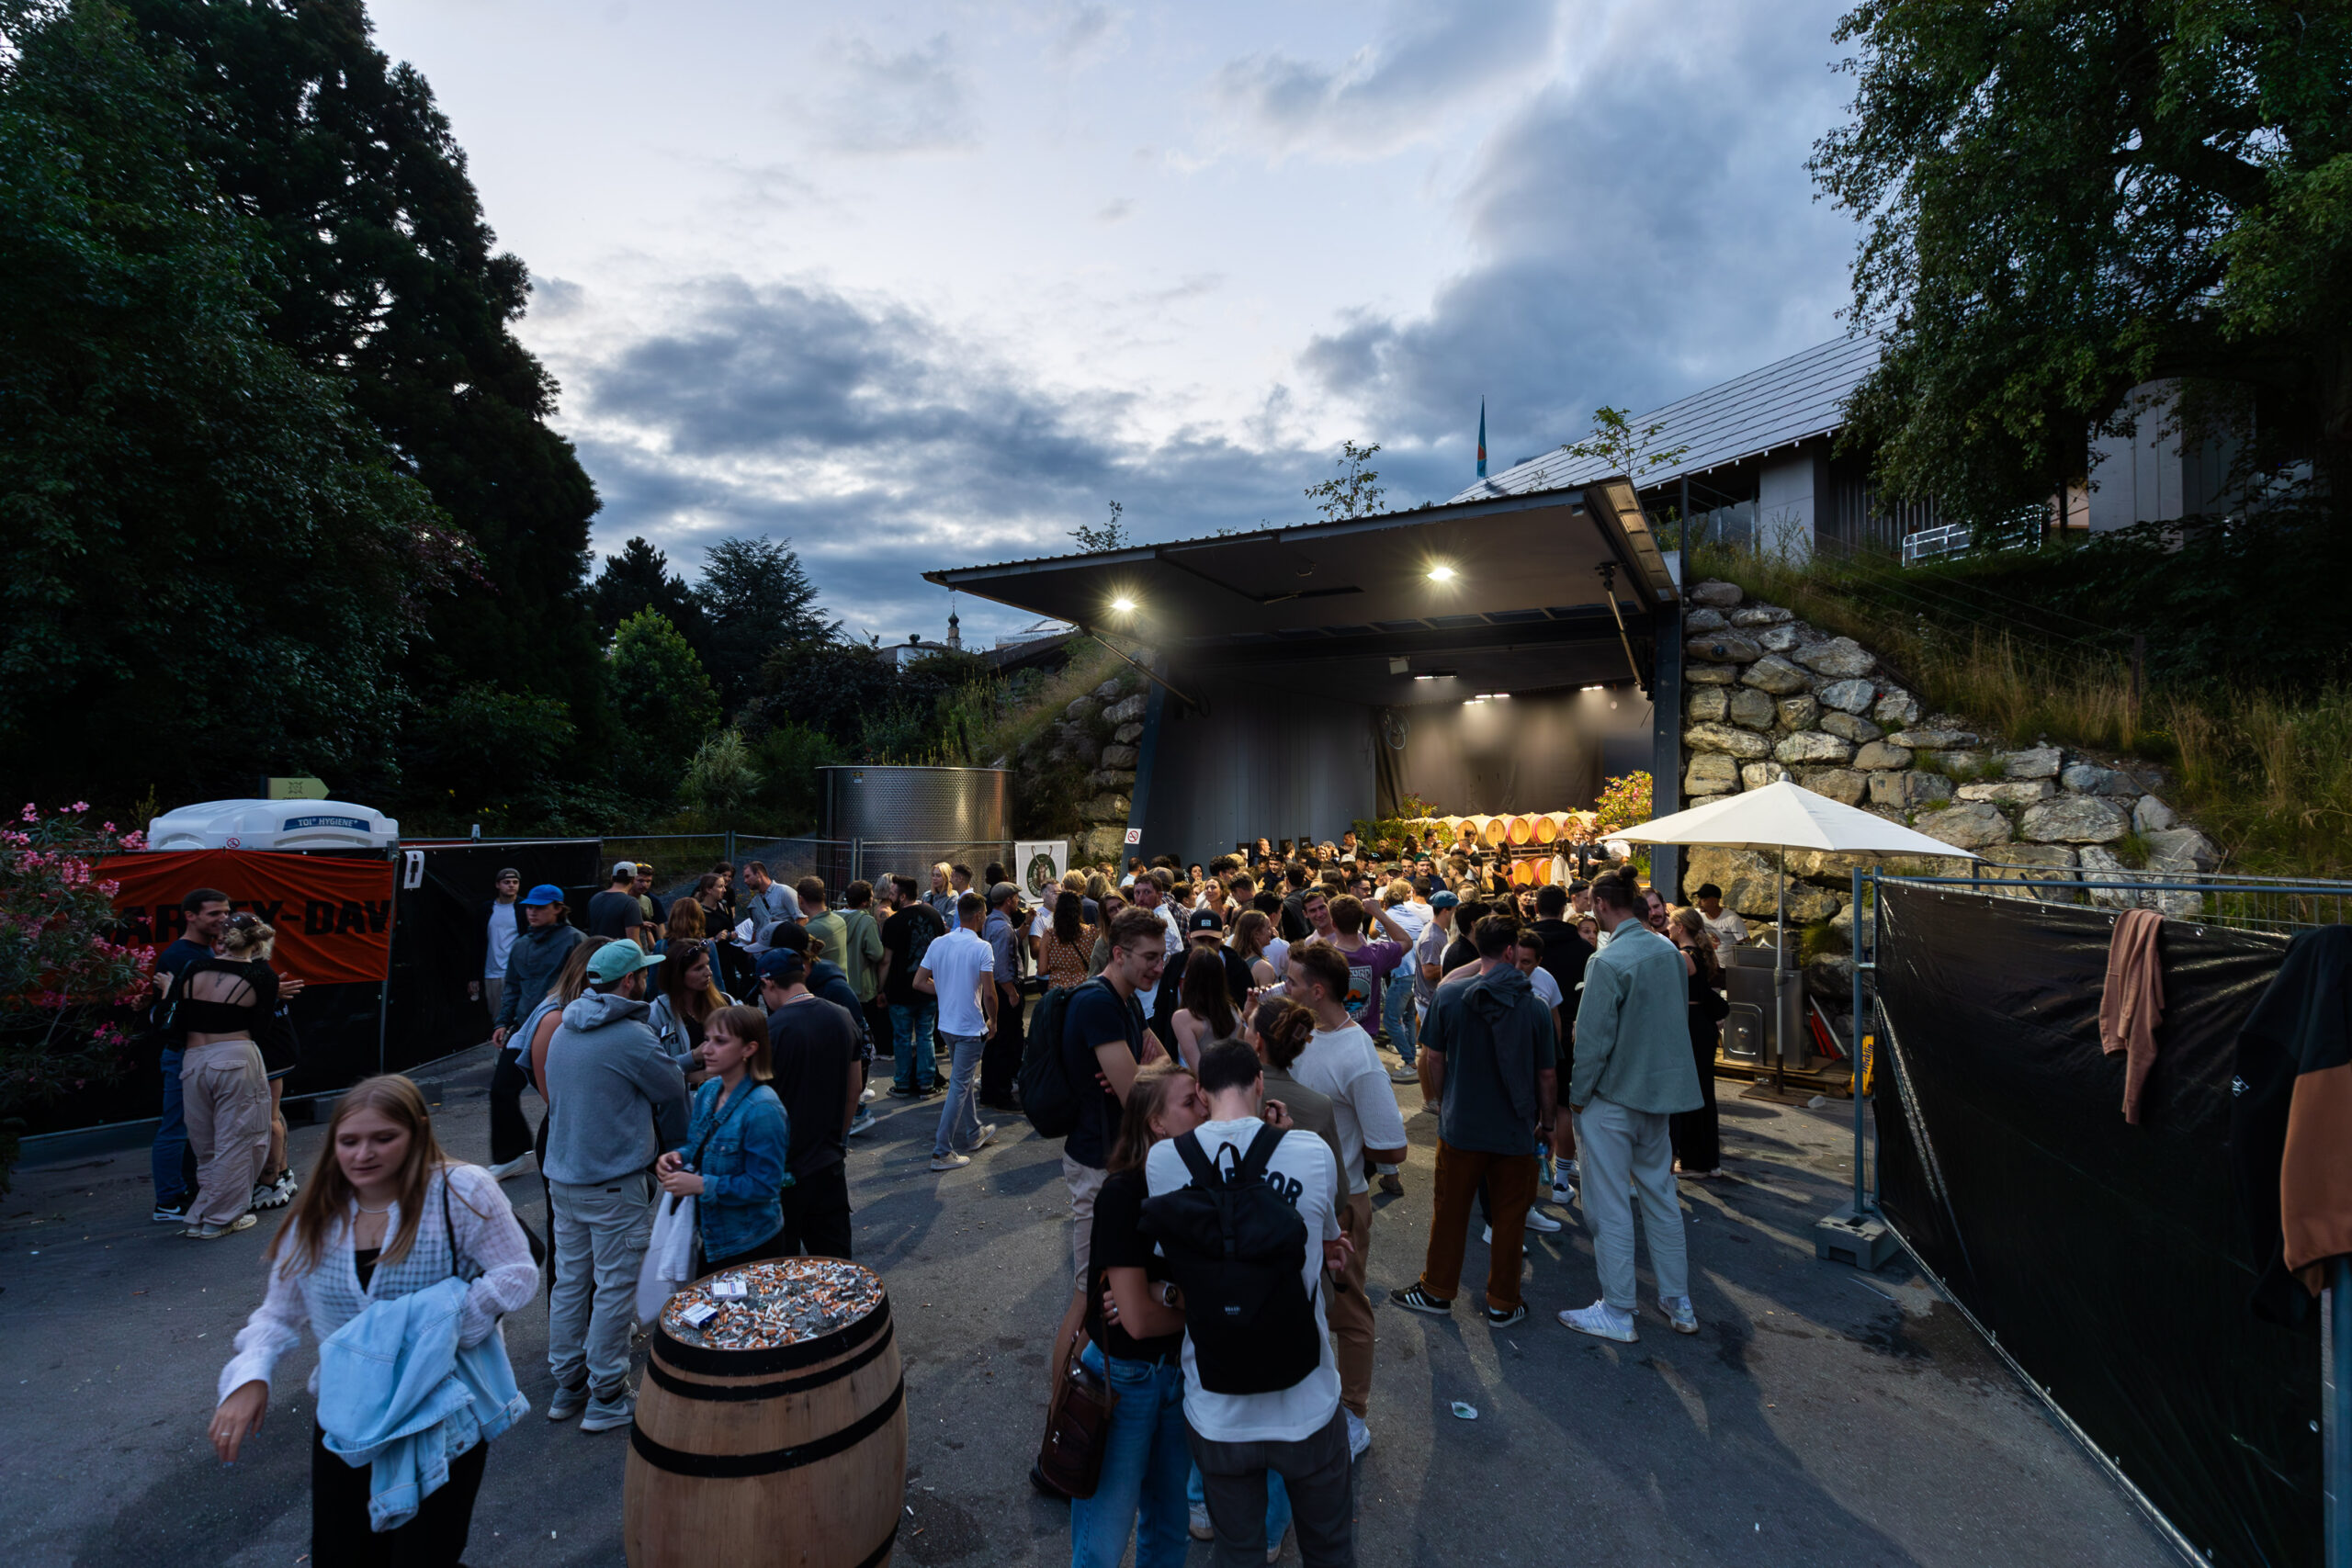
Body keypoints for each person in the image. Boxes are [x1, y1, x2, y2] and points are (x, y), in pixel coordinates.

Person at [209, 1076, 537, 1564]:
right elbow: (277, 1314)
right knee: (341, 1555)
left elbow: (516, 1272)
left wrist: (445, 1327)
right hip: (349, 1412)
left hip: (442, 1410)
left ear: (418, 1131)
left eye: (384, 1138)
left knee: (425, 1556)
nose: (364, 1154)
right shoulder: (316, 1215)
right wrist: (250, 1377)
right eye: (349, 1141)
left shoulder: (460, 1190)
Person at [1148, 1039, 1352, 1568]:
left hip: (1217, 1409)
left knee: (1237, 1553)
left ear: (1201, 1092)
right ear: (1260, 1084)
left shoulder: (1163, 1161)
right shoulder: (1311, 1151)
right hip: (1307, 1402)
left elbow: (1178, 1259)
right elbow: (1327, 1239)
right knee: (1330, 1550)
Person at [542, 940, 687, 1430]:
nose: (646, 979)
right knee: (613, 1289)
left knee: (570, 1285)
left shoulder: (564, 1028)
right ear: (629, 981)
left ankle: (568, 1385)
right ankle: (606, 1394)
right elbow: (668, 1088)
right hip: (612, 1185)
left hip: (565, 1180)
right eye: (642, 973)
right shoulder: (631, 1035)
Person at [1069, 1065, 1206, 1568]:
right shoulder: (1125, 1193)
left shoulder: (1203, 1183)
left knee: (1169, 1529)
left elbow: (1160, 1307)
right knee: (1101, 1543)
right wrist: (1200, 1308)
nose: (1205, 1108)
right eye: (1190, 1102)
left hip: (1178, 1375)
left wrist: (1164, 1293)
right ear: (1156, 1123)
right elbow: (1138, 1321)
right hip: (1123, 1380)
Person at [1393, 915, 1558, 1326]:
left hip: (1461, 1125)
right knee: (1509, 1218)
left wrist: (1445, 1100)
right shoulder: (1534, 1006)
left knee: (1450, 1211)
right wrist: (1548, 1124)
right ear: (1511, 951)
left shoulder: (1450, 996)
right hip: (1515, 1128)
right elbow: (1547, 1075)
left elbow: (1433, 1057)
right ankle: (1503, 1301)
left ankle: (1436, 1291)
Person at [1560, 874, 1703, 1343]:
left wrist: (1578, 1096)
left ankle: (1619, 1309)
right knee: (1661, 1198)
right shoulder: (1668, 952)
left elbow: (1592, 1041)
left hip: (1613, 1097)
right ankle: (1678, 1301)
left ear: (1601, 904)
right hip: (1657, 1095)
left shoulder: (1607, 960)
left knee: (1609, 1206)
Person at [1280, 941, 1406, 1460]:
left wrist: (1343, 1156)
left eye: (1290, 982)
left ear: (1316, 991)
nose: (1281, 987)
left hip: (1341, 1201)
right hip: (1289, 1196)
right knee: (1297, 1306)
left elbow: (1391, 1145)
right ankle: (1311, 1401)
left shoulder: (1358, 1055)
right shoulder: (1296, 1032)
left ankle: (1354, 1416)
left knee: (1347, 1311)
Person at [164, 912, 281, 1238]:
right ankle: (220, 1219)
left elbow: (174, 1016)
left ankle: (201, 1216)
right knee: (240, 1141)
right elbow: (261, 1027)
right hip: (235, 1056)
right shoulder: (262, 975)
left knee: (206, 1144)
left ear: (223, 939)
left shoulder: (193, 967)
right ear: (257, 941)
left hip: (193, 1060)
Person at [656, 1005, 792, 1272]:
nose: (706, 1050)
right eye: (707, 1039)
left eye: (720, 1041)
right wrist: (679, 1156)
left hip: (749, 1245)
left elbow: (764, 1186)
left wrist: (701, 1185)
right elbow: (700, 1147)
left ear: (749, 1049)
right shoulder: (709, 1091)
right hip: (711, 1238)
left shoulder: (763, 1108)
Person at [758, 949, 861, 1256]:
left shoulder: (770, 1030)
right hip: (828, 1162)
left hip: (783, 1168)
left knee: (782, 1265)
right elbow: (854, 1089)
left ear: (769, 983)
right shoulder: (842, 1016)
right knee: (835, 1264)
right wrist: (838, 1137)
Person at [489, 885, 583, 1178]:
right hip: (523, 1028)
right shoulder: (521, 944)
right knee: (501, 1088)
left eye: (540, 907)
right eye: (529, 906)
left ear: (558, 908)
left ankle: (574, 1152)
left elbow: (585, 985)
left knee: (558, 1097)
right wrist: (502, 1022)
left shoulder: (575, 940)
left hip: (561, 1029)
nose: (532, 912)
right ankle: (511, 1155)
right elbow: (512, 987)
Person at [151, 887, 231, 1224]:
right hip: (183, 1054)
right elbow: (185, 1011)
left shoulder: (204, 951)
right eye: (214, 913)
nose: (223, 919)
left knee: (194, 1128)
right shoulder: (181, 956)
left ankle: (185, 1191)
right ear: (190, 916)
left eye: (226, 912)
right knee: (175, 1128)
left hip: (199, 1053)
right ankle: (168, 1202)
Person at [916, 892, 998, 1173]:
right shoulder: (982, 947)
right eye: (984, 915)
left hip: (947, 1026)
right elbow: (990, 994)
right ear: (978, 916)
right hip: (969, 1027)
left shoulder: (939, 943)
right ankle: (942, 1151)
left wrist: (945, 990)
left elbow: (919, 981)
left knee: (961, 1081)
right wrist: (994, 1020)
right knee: (959, 1086)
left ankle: (974, 1132)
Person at [1668, 908, 1731, 1180]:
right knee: (1703, 1092)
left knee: (1691, 1093)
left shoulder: (1684, 957)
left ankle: (1696, 1161)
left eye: (1672, 923)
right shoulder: (1699, 954)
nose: (1668, 927)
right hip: (1701, 1025)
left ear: (1681, 927)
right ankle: (1708, 1160)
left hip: (1692, 1025)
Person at [881, 873, 948, 1097]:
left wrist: (881, 988)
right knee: (925, 1035)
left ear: (902, 896)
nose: (890, 897)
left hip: (900, 990)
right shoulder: (933, 915)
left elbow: (886, 960)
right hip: (928, 988)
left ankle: (902, 1084)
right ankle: (926, 1083)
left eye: (892, 893)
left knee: (901, 1038)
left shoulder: (893, 922)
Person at [979, 883, 1027, 1111]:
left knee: (994, 1040)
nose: (1018, 901)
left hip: (997, 989)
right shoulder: (1003, 929)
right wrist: (1012, 993)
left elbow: (1012, 939)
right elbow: (1000, 968)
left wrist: (1026, 926)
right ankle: (1002, 1094)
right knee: (1008, 1043)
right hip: (1005, 990)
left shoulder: (991, 921)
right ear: (1008, 900)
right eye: (1016, 897)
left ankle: (989, 1091)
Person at [648, 940, 731, 1070]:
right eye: (699, 968)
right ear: (678, 975)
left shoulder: (725, 1002)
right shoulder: (657, 1013)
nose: (709, 972)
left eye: (708, 964)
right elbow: (655, 1067)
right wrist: (693, 1057)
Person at [1169, 943, 1239, 1072]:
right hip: (1236, 1079)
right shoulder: (1233, 1010)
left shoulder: (1182, 1018)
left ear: (1189, 977)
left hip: (1209, 1083)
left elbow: (1199, 1072)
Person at [838, 879, 889, 1051]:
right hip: (863, 987)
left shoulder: (835, 917)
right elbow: (877, 953)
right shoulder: (867, 921)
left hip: (841, 983)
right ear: (865, 902)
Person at [471, 868, 524, 1026]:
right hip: (493, 972)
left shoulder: (525, 908)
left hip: (518, 973)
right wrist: (474, 976)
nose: (511, 885)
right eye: (507, 882)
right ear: (497, 885)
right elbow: (477, 942)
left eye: (515, 882)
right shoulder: (486, 909)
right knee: (497, 1018)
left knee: (520, 1017)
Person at [1038, 888, 1101, 990]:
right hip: (1084, 988)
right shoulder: (1091, 932)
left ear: (1058, 910)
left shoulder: (1049, 935)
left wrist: (1057, 968)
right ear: (1079, 910)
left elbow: (1042, 970)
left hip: (1059, 990)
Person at [740, 861, 802, 949]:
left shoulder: (784, 892)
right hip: (761, 952)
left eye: (747, 876)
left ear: (758, 874)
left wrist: (794, 946)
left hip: (782, 949)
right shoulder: (754, 903)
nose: (745, 881)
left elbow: (802, 919)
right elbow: (756, 930)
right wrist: (751, 952)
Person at [586, 863, 644, 944]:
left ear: (612, 878)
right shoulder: (630, 903)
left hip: (596, 950)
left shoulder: (595, 898)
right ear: (633, 879)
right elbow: (634, 942)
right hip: (619, 951)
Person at [1230, 908, 1285, 989]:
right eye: (1268, 928)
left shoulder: (1232, 960)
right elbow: (1267, 997)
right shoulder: (1264, 968)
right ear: (1256, 934)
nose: (1272, 932)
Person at [1694, 884, 1747, 952]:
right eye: (1698, 898)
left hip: (1728, 958)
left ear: (1715, 901)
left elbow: (1746, 945)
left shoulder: (1732, 919)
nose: (1698, 903)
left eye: (1704, 899)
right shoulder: (1697, 915)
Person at [632, 862, 667, 943]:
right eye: (640, 881)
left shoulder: (653, 900)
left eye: (648, 881)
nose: (644, 885)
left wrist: (661, 947)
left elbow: (660, 927)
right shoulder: (623, 898)